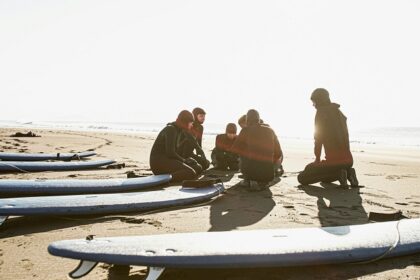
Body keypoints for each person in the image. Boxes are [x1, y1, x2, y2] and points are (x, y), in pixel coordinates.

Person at [297, 88, 359, 187]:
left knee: (302, 177)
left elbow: (318, 139)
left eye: (314, 102)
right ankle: (349, 173)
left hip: (334, 162)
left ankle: (338, 173)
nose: (313, 105)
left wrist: (317, 159)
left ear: (319, 100)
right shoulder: (339, 113)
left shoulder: (321, 113)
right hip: (349, 161)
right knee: (325, 180)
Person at [231, 109, 283, 189]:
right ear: (258, 118)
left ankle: (248, 180)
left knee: (242, 153)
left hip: (248, 173)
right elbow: (278, 153)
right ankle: (261, 181)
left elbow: (234, 149)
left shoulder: (245, 130)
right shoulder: (270, 130)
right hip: (267, 175)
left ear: (247, 119)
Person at [149, 110, 204, 182]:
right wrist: (184, 161)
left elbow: (192, 139)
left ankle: (172, 175)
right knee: (190, 172)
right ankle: (165, 180)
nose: (191, 125)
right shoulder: (171, 129)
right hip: (158, 163)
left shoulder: (180, 130)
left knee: (198, 168)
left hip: (167, 161)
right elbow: (170, 153)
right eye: (190, 123)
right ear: (183, 122)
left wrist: (190, 158)